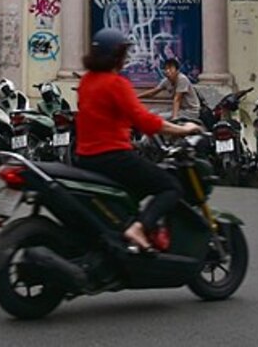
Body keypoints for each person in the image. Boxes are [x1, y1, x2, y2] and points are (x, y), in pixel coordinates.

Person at [74, 28, 202, 252]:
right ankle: (140, 228)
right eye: (123, 54)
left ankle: (125, 227)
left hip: (85, 158)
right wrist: (184, 130)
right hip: (114, 157)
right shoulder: (116, 84)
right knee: (170, 186)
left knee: (135, 190)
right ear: (117, 57)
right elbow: (146, 121)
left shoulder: (86, 82)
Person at [141, 56, 204, 123]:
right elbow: (153, 92)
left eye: (170, 69)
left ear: (177, 71)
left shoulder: (182, 79)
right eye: (166, 69)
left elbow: (177, 99)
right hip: (180, 109)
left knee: (160, 117)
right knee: (152, 112)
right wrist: (136, 97)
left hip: (190, 111)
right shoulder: (166, 81)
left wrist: (174, 117)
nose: (168, 71)